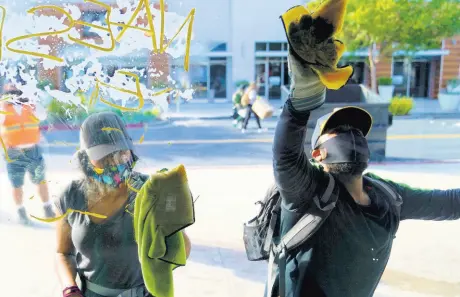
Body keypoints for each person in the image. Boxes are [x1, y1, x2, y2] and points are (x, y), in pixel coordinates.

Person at [270, 3, 460, 297]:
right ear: (318, 154)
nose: (352, 136)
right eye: (339, 131)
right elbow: (285, 155)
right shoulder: (307, 191)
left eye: (357, 132)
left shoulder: (390, 196)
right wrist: (304, 98)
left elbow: (449, 204)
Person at [54, 111, 192, 297]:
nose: (113, 162)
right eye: (103, 157)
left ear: (129, 151)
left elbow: (180, 249)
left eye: (119, 153)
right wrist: (70, 288)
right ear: (85, 158)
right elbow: (63, 253)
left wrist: (172, 211)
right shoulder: (70, 196)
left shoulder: (149, 191)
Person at [0, 83, 54, 225]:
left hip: (32, 150)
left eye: (16, 90)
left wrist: (33, 99)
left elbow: (42, 115)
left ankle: (47, 207)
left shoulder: (30, 105)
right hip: (13, 152)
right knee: (17, 184)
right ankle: (21, 211)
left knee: (40, 180)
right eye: (10, 90)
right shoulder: (3, 108)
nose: (14, 93)